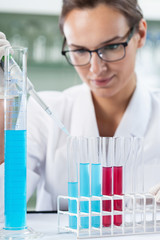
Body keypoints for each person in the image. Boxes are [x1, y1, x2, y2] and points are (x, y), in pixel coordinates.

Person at [0, 0, 160, 212]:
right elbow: (5, 205)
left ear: (140, 33)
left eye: (111, 46)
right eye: (79, 50)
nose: (96, 68)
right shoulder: (46, 111)